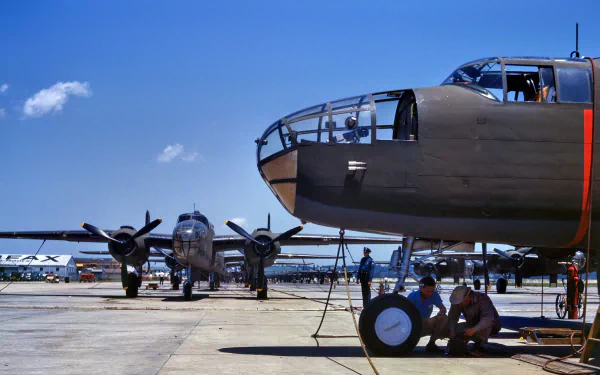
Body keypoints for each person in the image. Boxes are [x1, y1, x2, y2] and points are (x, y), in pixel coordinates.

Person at [448, 286, 501, 355]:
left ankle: (480, 345)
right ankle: (460, 343)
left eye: (460, 302)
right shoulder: (458, 301)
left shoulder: (482, 298)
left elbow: (488, 318)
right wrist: (452, 332)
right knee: (454, 329)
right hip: (472, 324)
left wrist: (474, 329)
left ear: (467, 297)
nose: (459, 305)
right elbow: (452, 318)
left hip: (491, 325)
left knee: (486, 323)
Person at [406, 276, 448, 353]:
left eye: (432, 291)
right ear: (421, 287)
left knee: (444, 318)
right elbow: (406, 318)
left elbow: (443, 308)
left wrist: (440, 313)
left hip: (425, 326)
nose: (430, 293)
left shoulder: (433, 295)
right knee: (407, 349)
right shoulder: (412, 297)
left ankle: (431, 344)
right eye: (428, 291)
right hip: (412, 327)